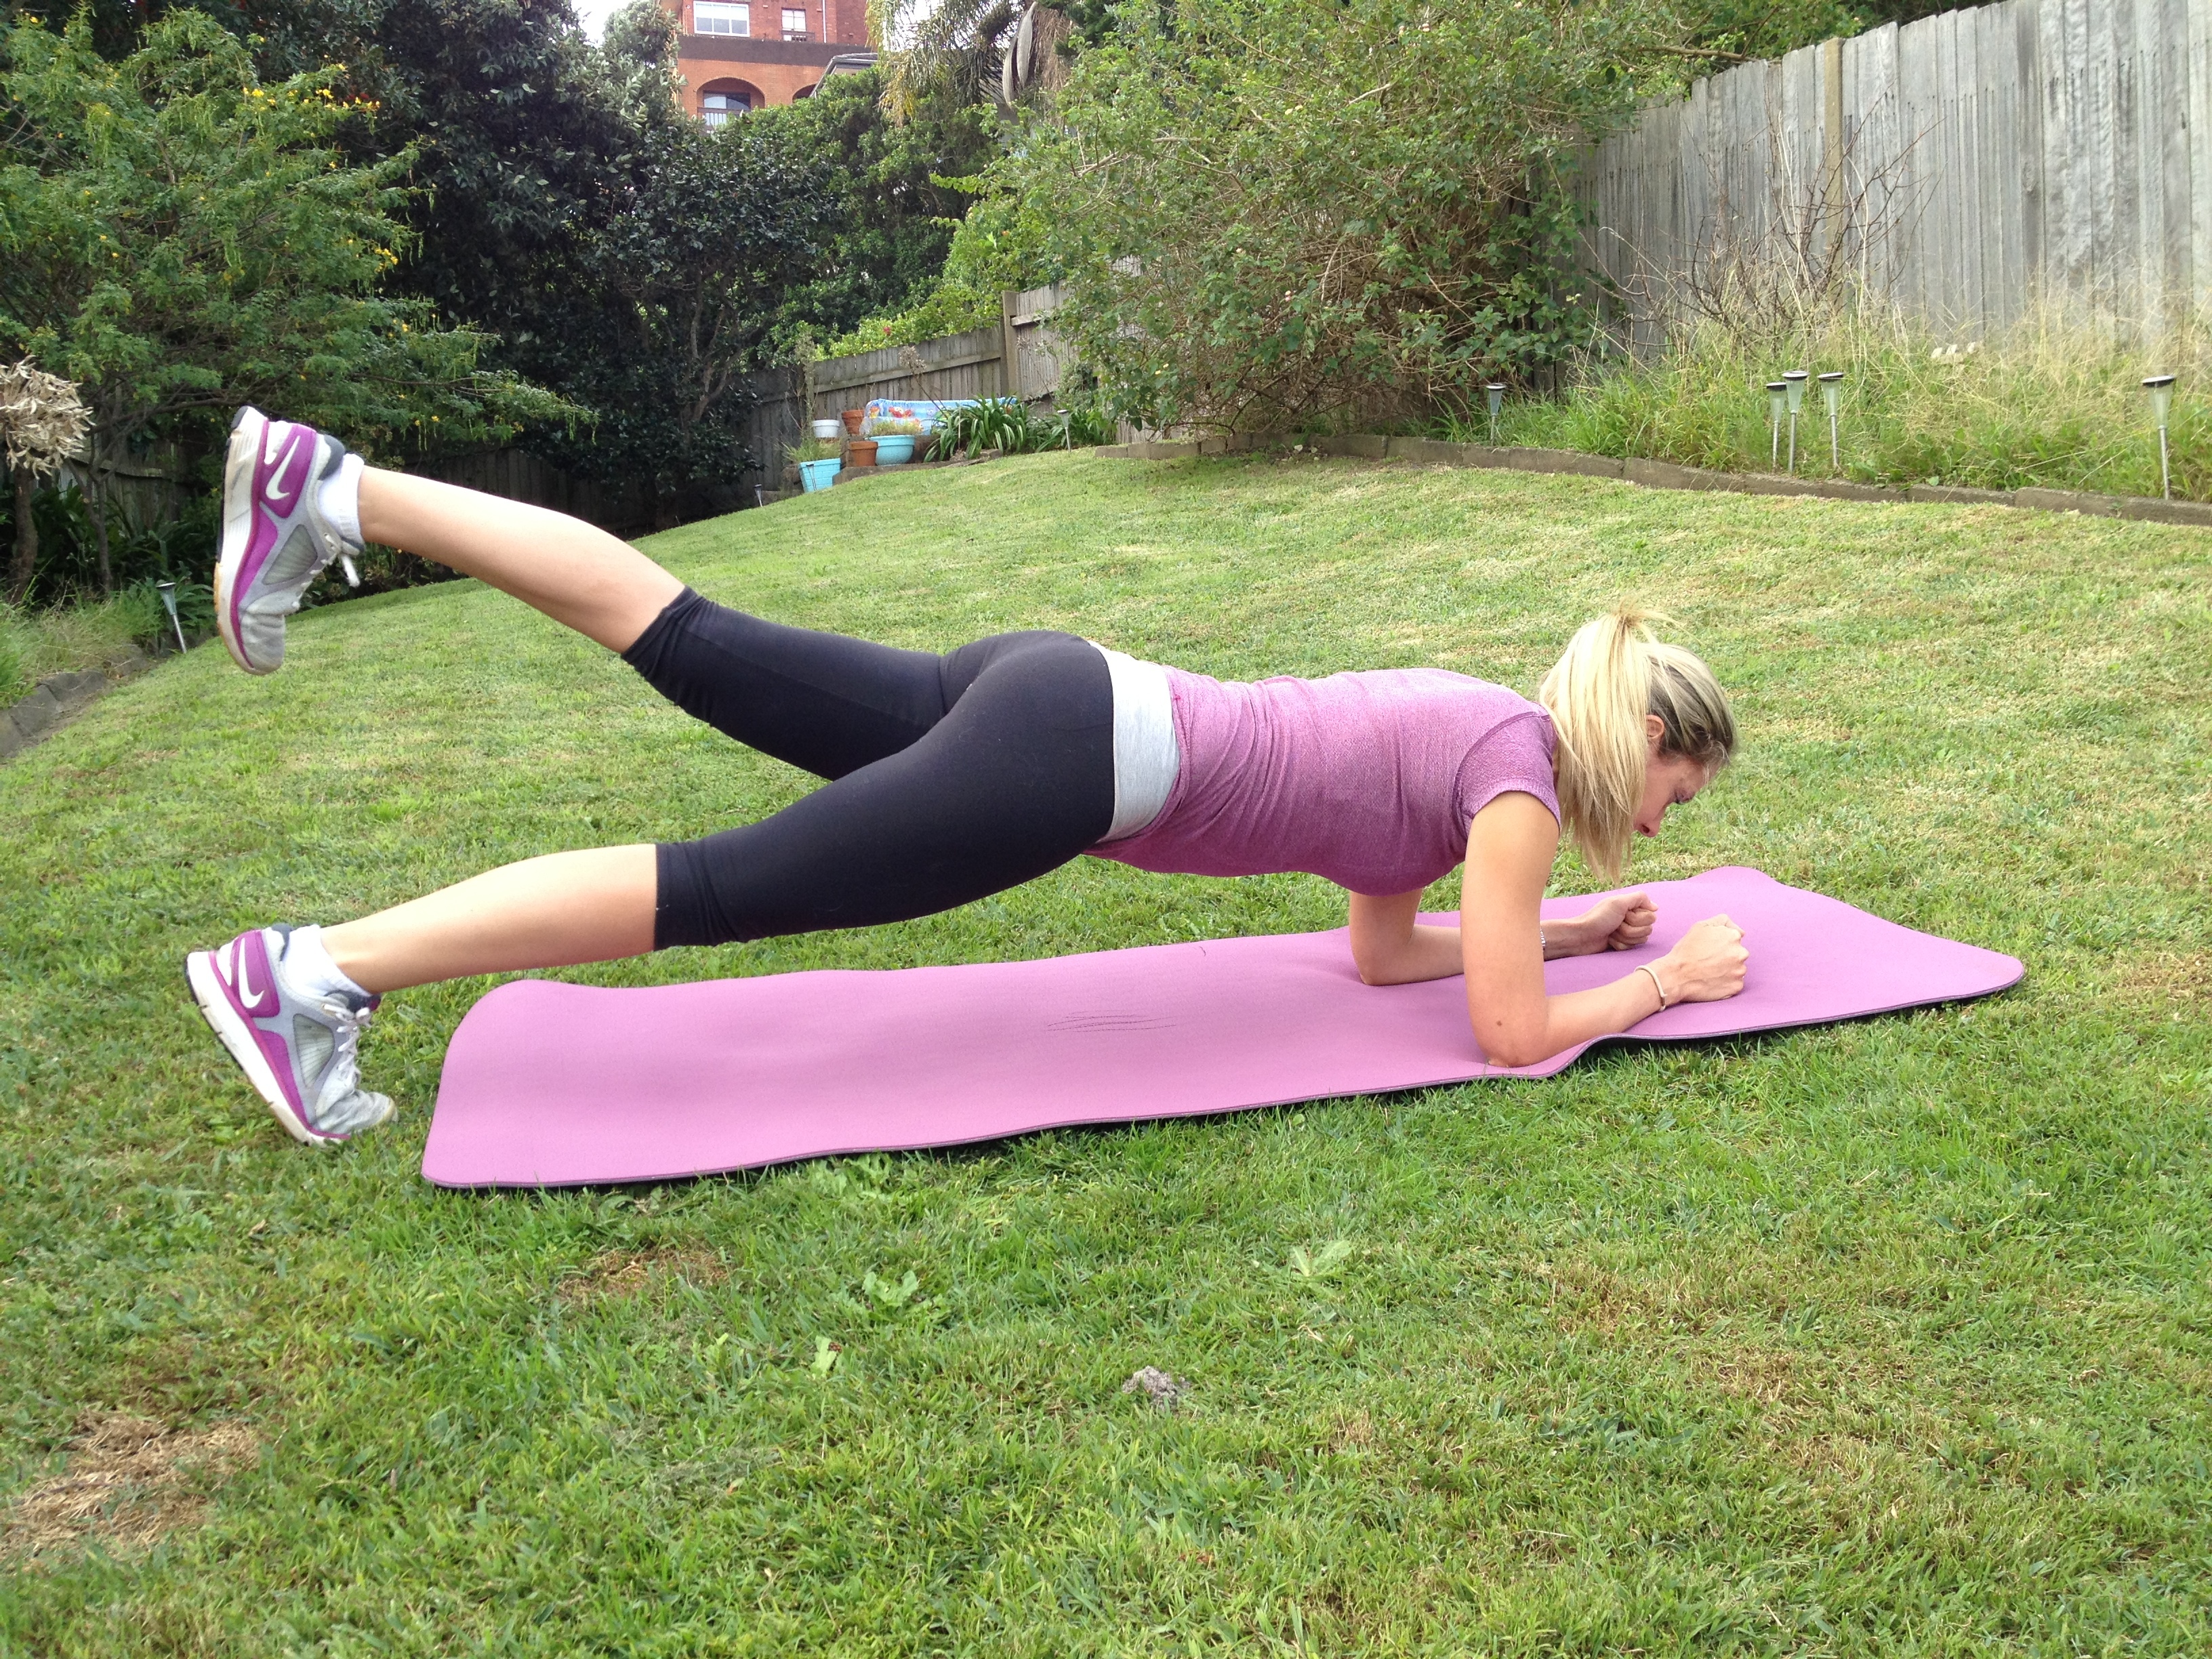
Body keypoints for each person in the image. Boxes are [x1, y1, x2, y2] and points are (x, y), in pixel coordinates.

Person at [186, 408, 1750, 1145]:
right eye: (1682, 788)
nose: (1668, 817)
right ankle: (311, 975)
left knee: (694, 635)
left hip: (1059, 685)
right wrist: (1661, 983)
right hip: (1065, 760)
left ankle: (340, 489)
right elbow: (1503, 1038)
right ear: (1646, 740)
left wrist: (1567, 932)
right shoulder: (1519, 794)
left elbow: (1382, 956)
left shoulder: (1482, 738)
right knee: (720, 886)